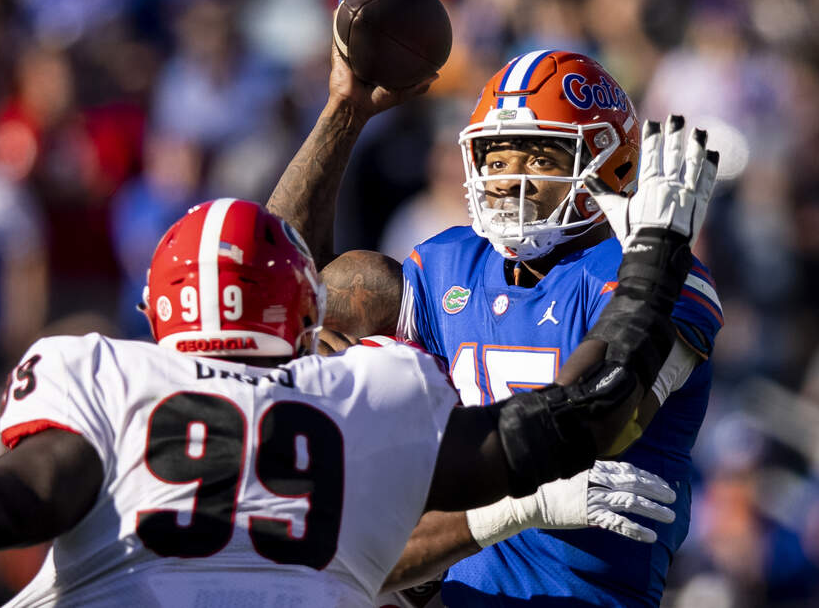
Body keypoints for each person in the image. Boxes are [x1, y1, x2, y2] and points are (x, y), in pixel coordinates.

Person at [0, 143, 712, 606]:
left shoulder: (102, 368)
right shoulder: (364, 399)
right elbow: (584, 411)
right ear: (303, 312)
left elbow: (18, 501)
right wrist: (657, 254)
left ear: (158, 312)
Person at [267, 47, 722, 605]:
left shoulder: (647, 275)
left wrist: (651, 264)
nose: (507, 181)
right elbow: (272, 292)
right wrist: (345, 112)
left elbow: (607, 414)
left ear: (611, 165)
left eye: (539, 159)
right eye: (496, 159)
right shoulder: (447, 266)